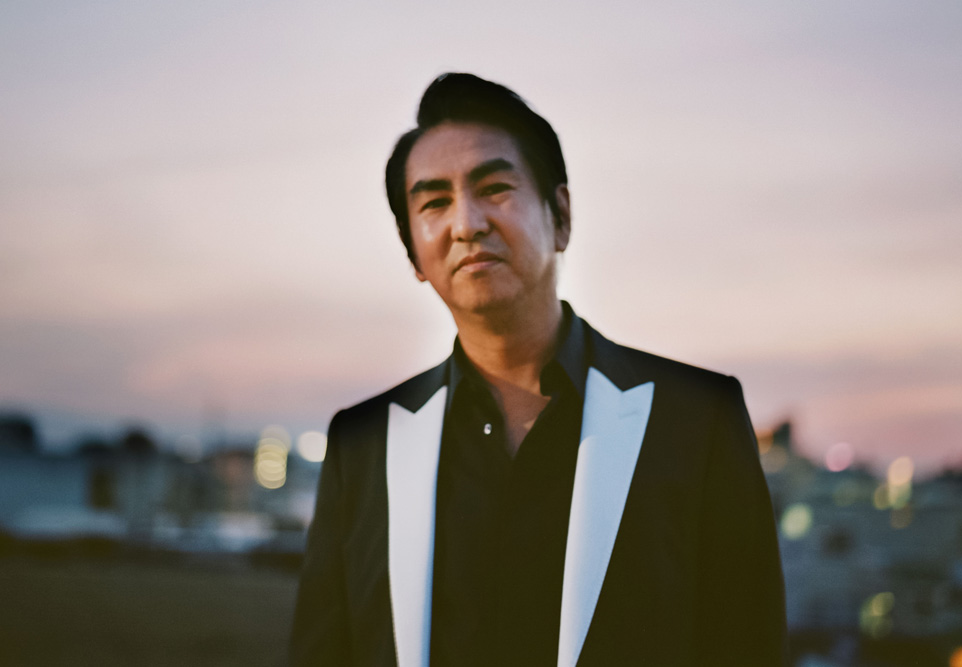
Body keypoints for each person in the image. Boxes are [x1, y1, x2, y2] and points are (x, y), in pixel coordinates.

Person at [291, 73, 787, 667]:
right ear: (413, 254)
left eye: (495, 188)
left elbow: (747, 646)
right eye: (434, 203)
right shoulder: (363, 445)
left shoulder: (697, 420)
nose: (467, 224)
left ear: (562, 216)